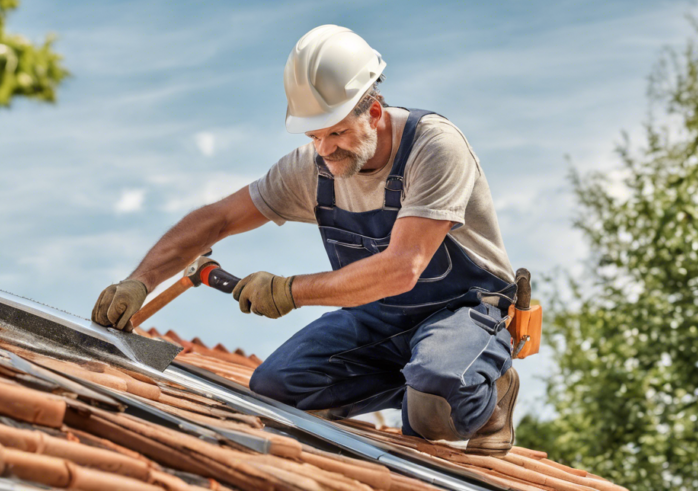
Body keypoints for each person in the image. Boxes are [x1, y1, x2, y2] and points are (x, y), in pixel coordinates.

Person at [92, 25, 520, 455]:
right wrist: (142, 279)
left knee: (436, 401)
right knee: (276, 389)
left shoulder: (434, 148)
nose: (326, 150)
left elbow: (403, 266)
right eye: (314, 137)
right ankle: (415, 379)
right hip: (378, 320)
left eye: (336, 133)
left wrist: (288, 291)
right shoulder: (311, 168)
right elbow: (217, 219)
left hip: (462, 312)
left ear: (372, 113)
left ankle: (490, 384)